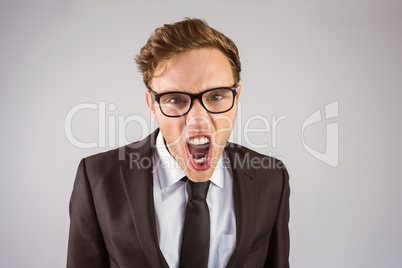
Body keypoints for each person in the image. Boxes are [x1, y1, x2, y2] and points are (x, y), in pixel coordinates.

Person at [67, 18, 290, 268]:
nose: (198, 120)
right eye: (175, 99)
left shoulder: (272, 178)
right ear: (152, 104)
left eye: (216, 96)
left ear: (237, 98)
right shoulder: (96, 177)